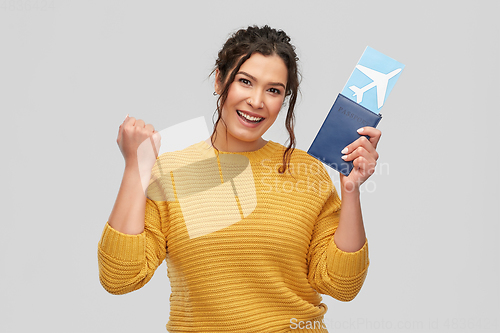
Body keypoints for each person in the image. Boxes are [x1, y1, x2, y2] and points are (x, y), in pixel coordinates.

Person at [98, 25, 381, 333]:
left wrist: (350, 190)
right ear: (219, 80)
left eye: (273, 90)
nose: (257, 101)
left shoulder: (307, 171)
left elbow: (341, 285)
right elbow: (119, 278)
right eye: (245, 82)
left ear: (283, 99)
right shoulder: (172, 172)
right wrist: (135, 168)